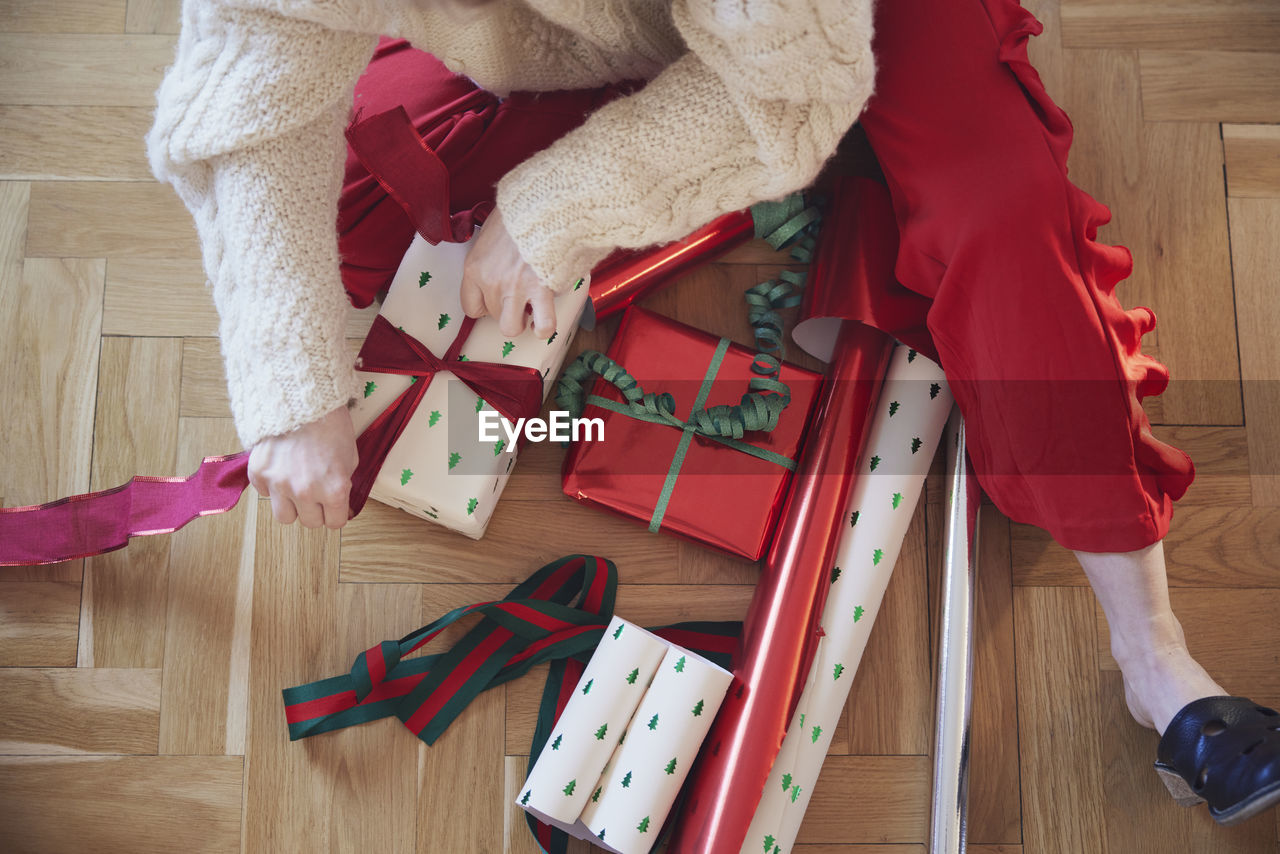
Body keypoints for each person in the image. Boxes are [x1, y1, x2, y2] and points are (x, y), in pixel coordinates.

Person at [147, 0, 1280, 831]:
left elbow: (785, 82)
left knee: (997, 227)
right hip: (619, 27)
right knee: (352, 212)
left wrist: (554, 211)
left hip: (834, 26)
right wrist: (289, 388)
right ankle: (812, 175)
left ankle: (1155, 660)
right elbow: (249, 79)